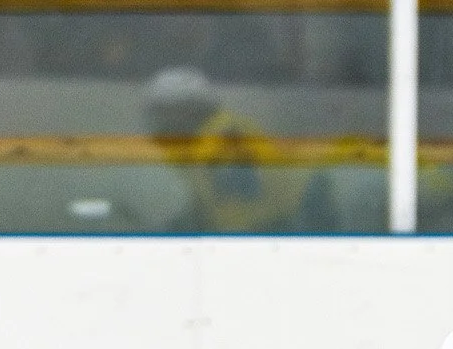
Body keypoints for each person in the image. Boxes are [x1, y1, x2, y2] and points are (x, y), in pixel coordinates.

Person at [142, 67, 338, 234]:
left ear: (188, 109)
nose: (159, 123)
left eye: (165, 112)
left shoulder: (224, 140)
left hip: (300, 210)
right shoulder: (200, 141)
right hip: (287, 209)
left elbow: (242, 210)